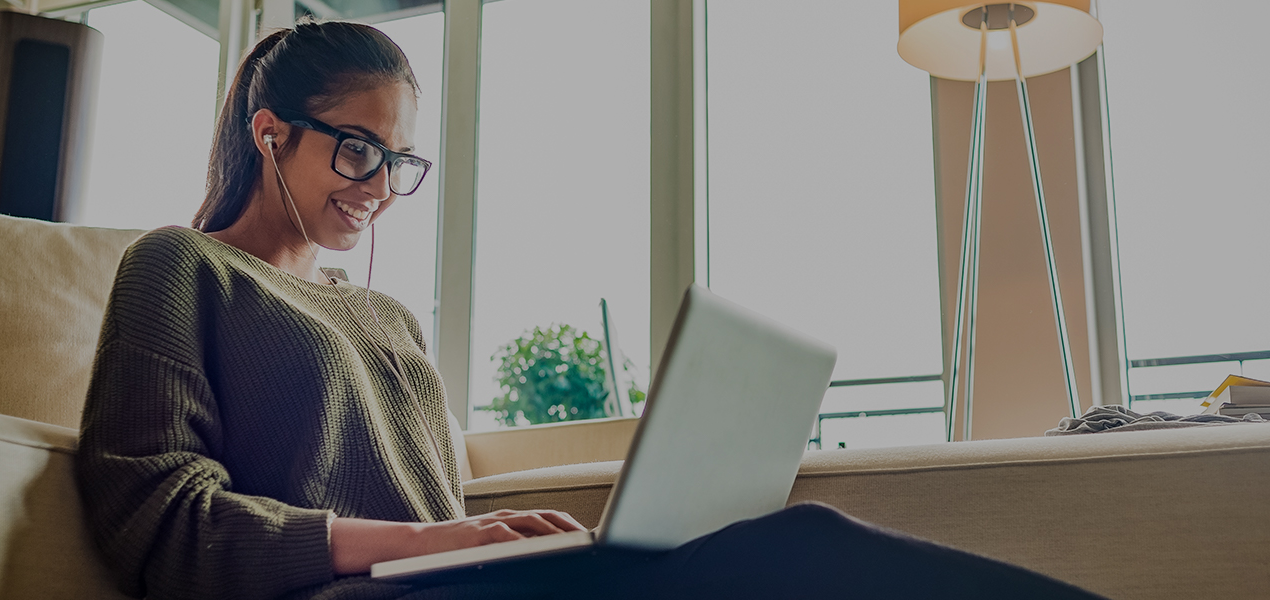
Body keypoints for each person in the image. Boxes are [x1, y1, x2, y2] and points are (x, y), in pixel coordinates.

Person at [74, 17, 1107, 600]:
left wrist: (495, 544)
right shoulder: (180, 270)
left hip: (449, 593)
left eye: (398, 161)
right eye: (356, 148)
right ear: (268, 133)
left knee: (760, 553)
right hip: (342, 599)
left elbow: (437, 518)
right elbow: (158, 522)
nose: (378, 184)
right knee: (794, 549)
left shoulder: (385, 318)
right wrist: (431, 547)